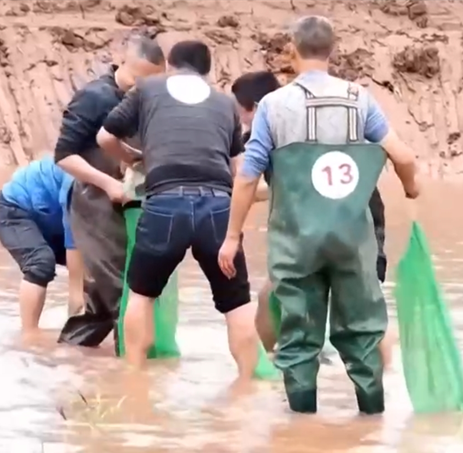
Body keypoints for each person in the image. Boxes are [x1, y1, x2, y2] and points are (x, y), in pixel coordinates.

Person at [217, 16, 420, 414]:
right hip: (351, 239)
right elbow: (404, 156)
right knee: (362, 332)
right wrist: (412, 188)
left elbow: (246, 178)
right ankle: (371, 420)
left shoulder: (273, 106)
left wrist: (232, 236)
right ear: (333, 50)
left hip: (297, 241)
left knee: (298, 338)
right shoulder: (359, 99)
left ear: (292, 50)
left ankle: (301, 425)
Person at [96, 40, 259, 377]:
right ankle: (247, 385)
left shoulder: (147, 90)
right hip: (216, 206)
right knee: (237, 303)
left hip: (164, 204)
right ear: (207, 71)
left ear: (169, 65)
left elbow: (104, 137)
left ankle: (134, 378)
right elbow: (237, 168)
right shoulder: (224, 102)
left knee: (141, 294)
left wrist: (134, 159)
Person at [231, 71, 397, 369]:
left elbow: (260, 184)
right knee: (360, 302)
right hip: (347, 218)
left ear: (254, 106)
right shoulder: (333, 112)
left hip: (346, 218)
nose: (240, 118)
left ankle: (263, 371)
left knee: (361, 303)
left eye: (240, 110)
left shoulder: (274, 120)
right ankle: (269, 365)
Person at [54, 36, 166, 348]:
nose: (142, 90)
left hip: (135, 202)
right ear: (123, 64)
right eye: (138, 81)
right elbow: (64, 155)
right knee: (122, 289)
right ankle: (134, 376)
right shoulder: (94, 97)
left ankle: (69, 359)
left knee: (104, 301)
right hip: (97, 205)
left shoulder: (152, 99)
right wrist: (109, 184)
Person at [0, 154, 84, 337]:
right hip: (13, 209)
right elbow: (76, 285)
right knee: (41, 263)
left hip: (50, 218)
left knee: (100, 267)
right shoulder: (77, 182)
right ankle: (29, 335)